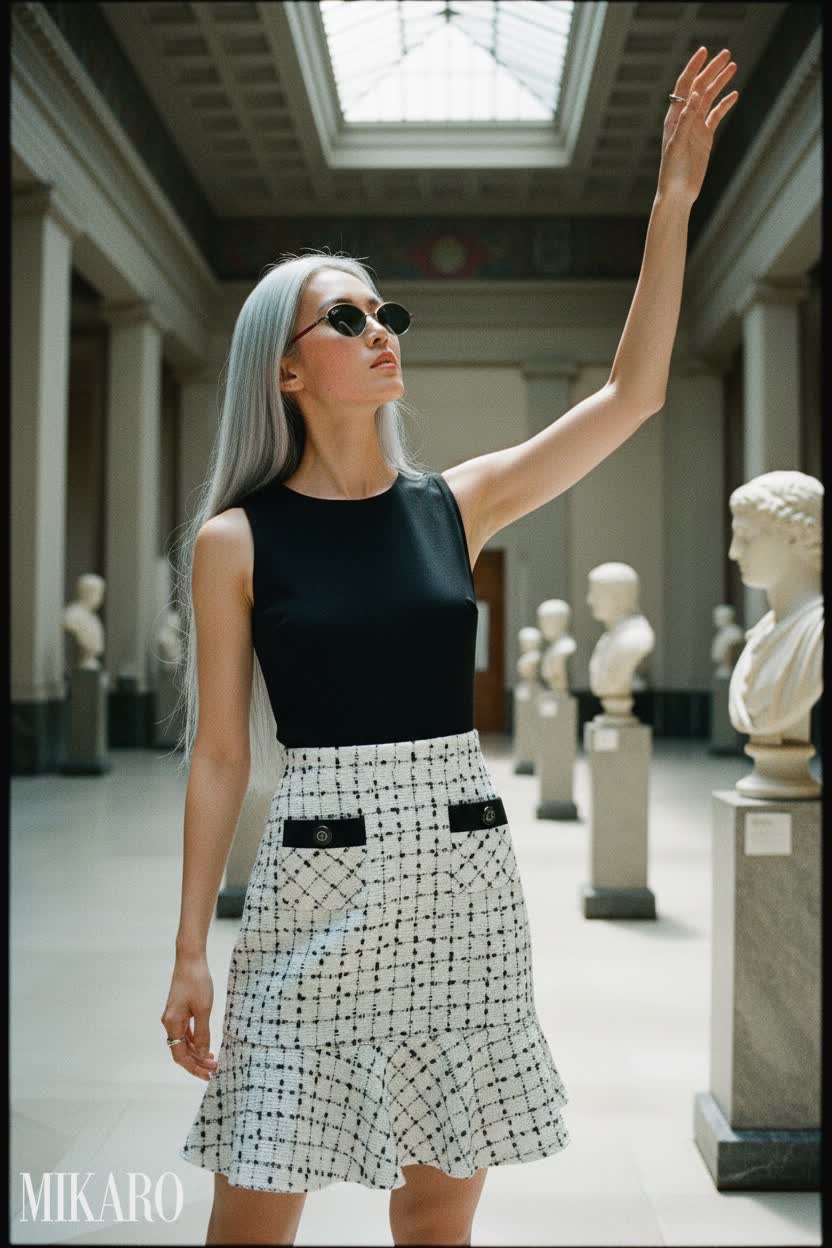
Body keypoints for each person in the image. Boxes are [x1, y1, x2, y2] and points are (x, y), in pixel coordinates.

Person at [161, 251, 570, 1245]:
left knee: (438, 1217)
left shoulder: (453, 504)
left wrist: (673, 202)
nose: (381, 330)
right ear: (285, 371)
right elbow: (220, 754)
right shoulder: (236, 540)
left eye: (384, 313)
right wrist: (188, 955)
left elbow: (634, 396)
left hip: (461, 883)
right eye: (345, 319)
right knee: (255, 1201)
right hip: (316, 884)